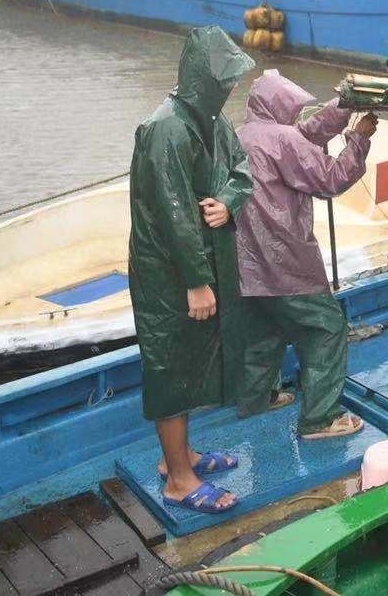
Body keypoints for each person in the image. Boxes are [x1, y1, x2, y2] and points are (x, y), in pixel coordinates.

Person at [128, 26, 255, 515]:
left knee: (191, 359)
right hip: (167, 273)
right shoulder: (166, 129)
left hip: (202, 261)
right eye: (223, 81)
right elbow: (174, 213)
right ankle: (179, 479)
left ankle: (183, 456)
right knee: (170, 366)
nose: (229, 91)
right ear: (201, 78)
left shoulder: (213, 121)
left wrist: (227, 201)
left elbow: (242, 170)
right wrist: (197, 281)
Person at [232, 70, 377, 439]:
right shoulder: (282, 138)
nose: (297, 115)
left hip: (247, 263)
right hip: (286, 259)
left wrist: (344, 106)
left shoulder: (243, 134)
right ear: (280, 108)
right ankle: (320, 419)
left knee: (265, 330)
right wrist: (358, 139)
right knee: (326, 328)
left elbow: (304, 133)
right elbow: (331, 178)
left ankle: (257, 399)